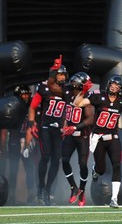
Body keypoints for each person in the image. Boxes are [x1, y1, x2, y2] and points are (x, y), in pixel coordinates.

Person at [73, 75, 122, 208]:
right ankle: (95, 169)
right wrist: (82, 92)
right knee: (101, 170)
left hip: (113, 137)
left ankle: (114, 199)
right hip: (98, 137)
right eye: (112, 84)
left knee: (116, 165)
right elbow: (77, 103)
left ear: (121, 89)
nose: (113, 87)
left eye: (117, 85)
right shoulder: (98, 96)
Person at [25, 55, 68, 206]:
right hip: (45, 127)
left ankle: (47, 191)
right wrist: (31, 122)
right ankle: (40, 188)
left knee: (56, 160)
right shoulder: (44, 87)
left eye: (64, 74)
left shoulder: (67, 90)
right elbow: (33, 106)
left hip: (58, 130)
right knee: (46, 156)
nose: (62, 77)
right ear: (54, 75)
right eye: (60, 74)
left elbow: (71, 108)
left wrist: (67, 125)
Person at [61, 72, 94, 206]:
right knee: (64, 161)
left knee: (82, 165)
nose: (73, 86)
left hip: (82, 135)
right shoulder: (69, 93)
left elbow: (91, 118)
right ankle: (73, 187)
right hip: (70, 134)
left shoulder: (87, 98)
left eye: (76, 84)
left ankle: (82, 190)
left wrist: (76, 127)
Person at [1, 85, 36, 205]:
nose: (26, 96)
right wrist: (3, 144)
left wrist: (28, 142)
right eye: (23, 94)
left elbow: (34, 123)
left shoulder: (31, 107)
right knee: (13, 168)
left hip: (27, 137)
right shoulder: (12, 105)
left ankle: (32, 194)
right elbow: (5, 128)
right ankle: (10, 195)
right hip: (14, 138)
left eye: (27, 93)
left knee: (29, 167)